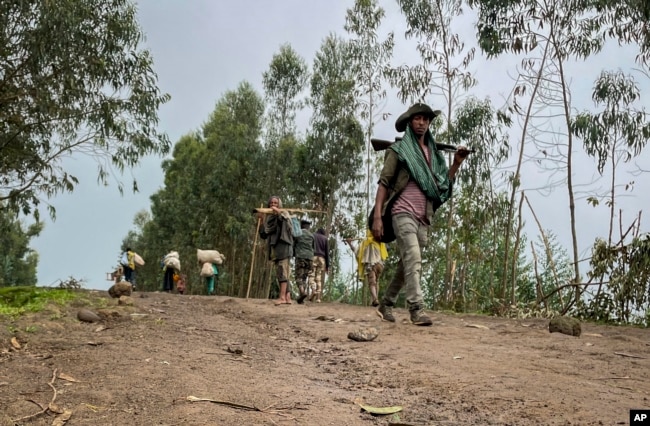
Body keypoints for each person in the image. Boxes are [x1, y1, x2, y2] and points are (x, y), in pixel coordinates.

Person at [372, 102, 469, 326]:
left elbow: (442, 186)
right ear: (409, 122)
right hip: (401, 211)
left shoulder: (434, 155)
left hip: (423, 216)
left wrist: (456, 163)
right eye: (417, 119)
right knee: (413, 258)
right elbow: (384, 183)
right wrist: (378, 216)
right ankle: (416, 309)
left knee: (407, 263)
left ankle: (386, 302)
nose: (422, 123)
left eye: (425, 119)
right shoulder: (398, 151)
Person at [259, 195, 294, 305]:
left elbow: (285, 224)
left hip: (284, 247)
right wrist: (261, 221)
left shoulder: (284, 215)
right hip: (275, 248)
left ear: (279, 205)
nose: (273, 205)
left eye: (275, 203)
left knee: (283, 271)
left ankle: (282, 297)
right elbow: (264, 234)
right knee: (280, 272)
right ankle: (288, 297)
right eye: (271, 203)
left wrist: (279, 213)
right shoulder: (270, 218)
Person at [345, 230, 388, 307]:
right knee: (376, 282)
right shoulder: (380, 242)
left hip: (371, 265)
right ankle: (375, 299)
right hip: (380, 265)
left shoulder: (366, 242)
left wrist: (349, 243)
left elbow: (357, 252)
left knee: (372, 282)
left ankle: (375, 299)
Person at [293, 219, 315, 304]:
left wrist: (294, 254)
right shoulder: (312, 236)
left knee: (298, 277)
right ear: (309, 227)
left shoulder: (298, 234)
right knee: (304, 278)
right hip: (309, 258)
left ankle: (302, 292)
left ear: (301, 226)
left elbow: (294, 245)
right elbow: (314, 248)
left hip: (300, 257)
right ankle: (301, 298)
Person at [309, 228, 329, 303]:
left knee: (311, 274)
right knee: (318, 277)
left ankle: (313, 290)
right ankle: (318, 298)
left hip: (313, 256)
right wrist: (327, 266)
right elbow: (327, 253)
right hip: (322, 258)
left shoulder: (313, 236)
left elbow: (310, 247)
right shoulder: (325, 239)